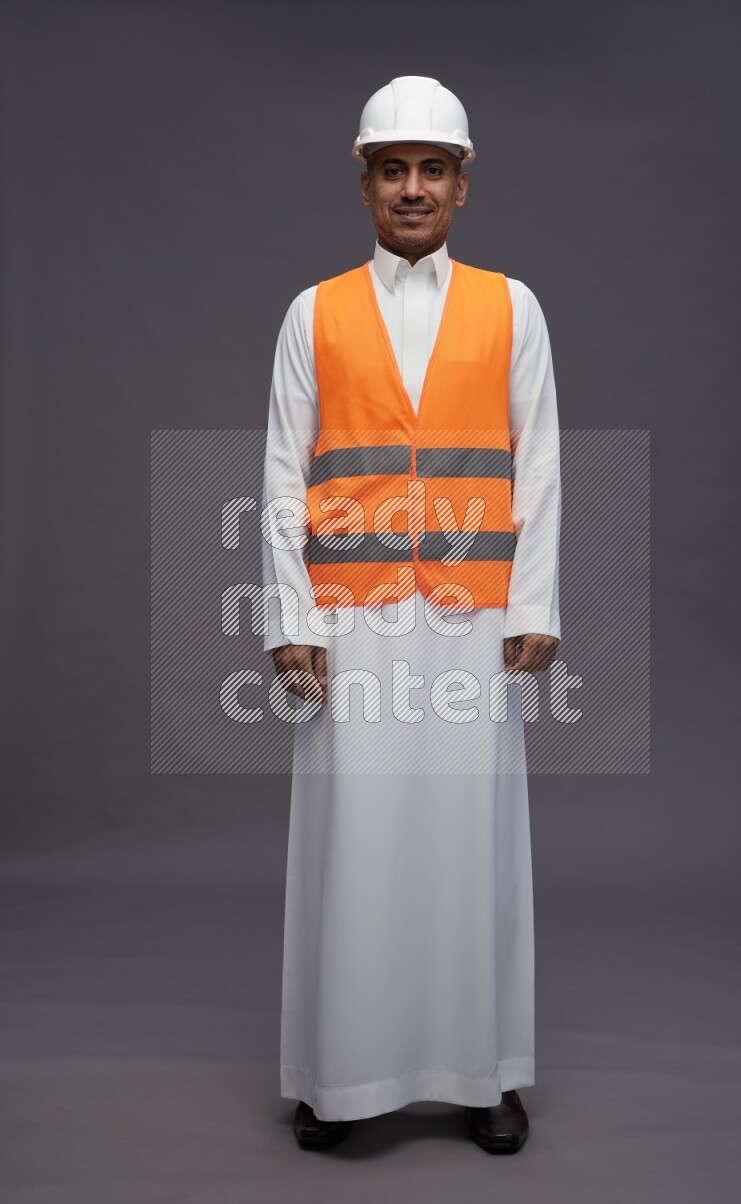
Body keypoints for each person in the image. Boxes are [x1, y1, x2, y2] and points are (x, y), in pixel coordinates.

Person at [261, 75, 562, 1154]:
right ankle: (338, 1076)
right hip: (351, 620)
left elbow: (538, 461)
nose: (413, 187)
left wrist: (534, 601)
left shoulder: (511, 305)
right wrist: (287, 615)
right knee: (353, 840)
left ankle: (484, 1073)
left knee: (467, 840)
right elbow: (283, 472)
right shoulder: (313, 311)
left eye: (433, 168)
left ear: (462, 185)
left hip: (471, 618)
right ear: (365, 183)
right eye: (393, 169)